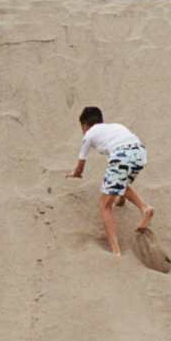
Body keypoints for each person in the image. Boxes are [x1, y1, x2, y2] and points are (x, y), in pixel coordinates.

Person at [64, 106, 155, 256]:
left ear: (84, 126)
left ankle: (115, 250)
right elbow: (120, 178)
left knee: (104, 206)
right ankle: (139, 206)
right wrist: (120, 200)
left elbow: (80, 166)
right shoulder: (115, 127)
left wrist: (75, 173)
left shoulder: (89, 134)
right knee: (119, 181)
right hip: (139, 154)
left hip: (121, 155)